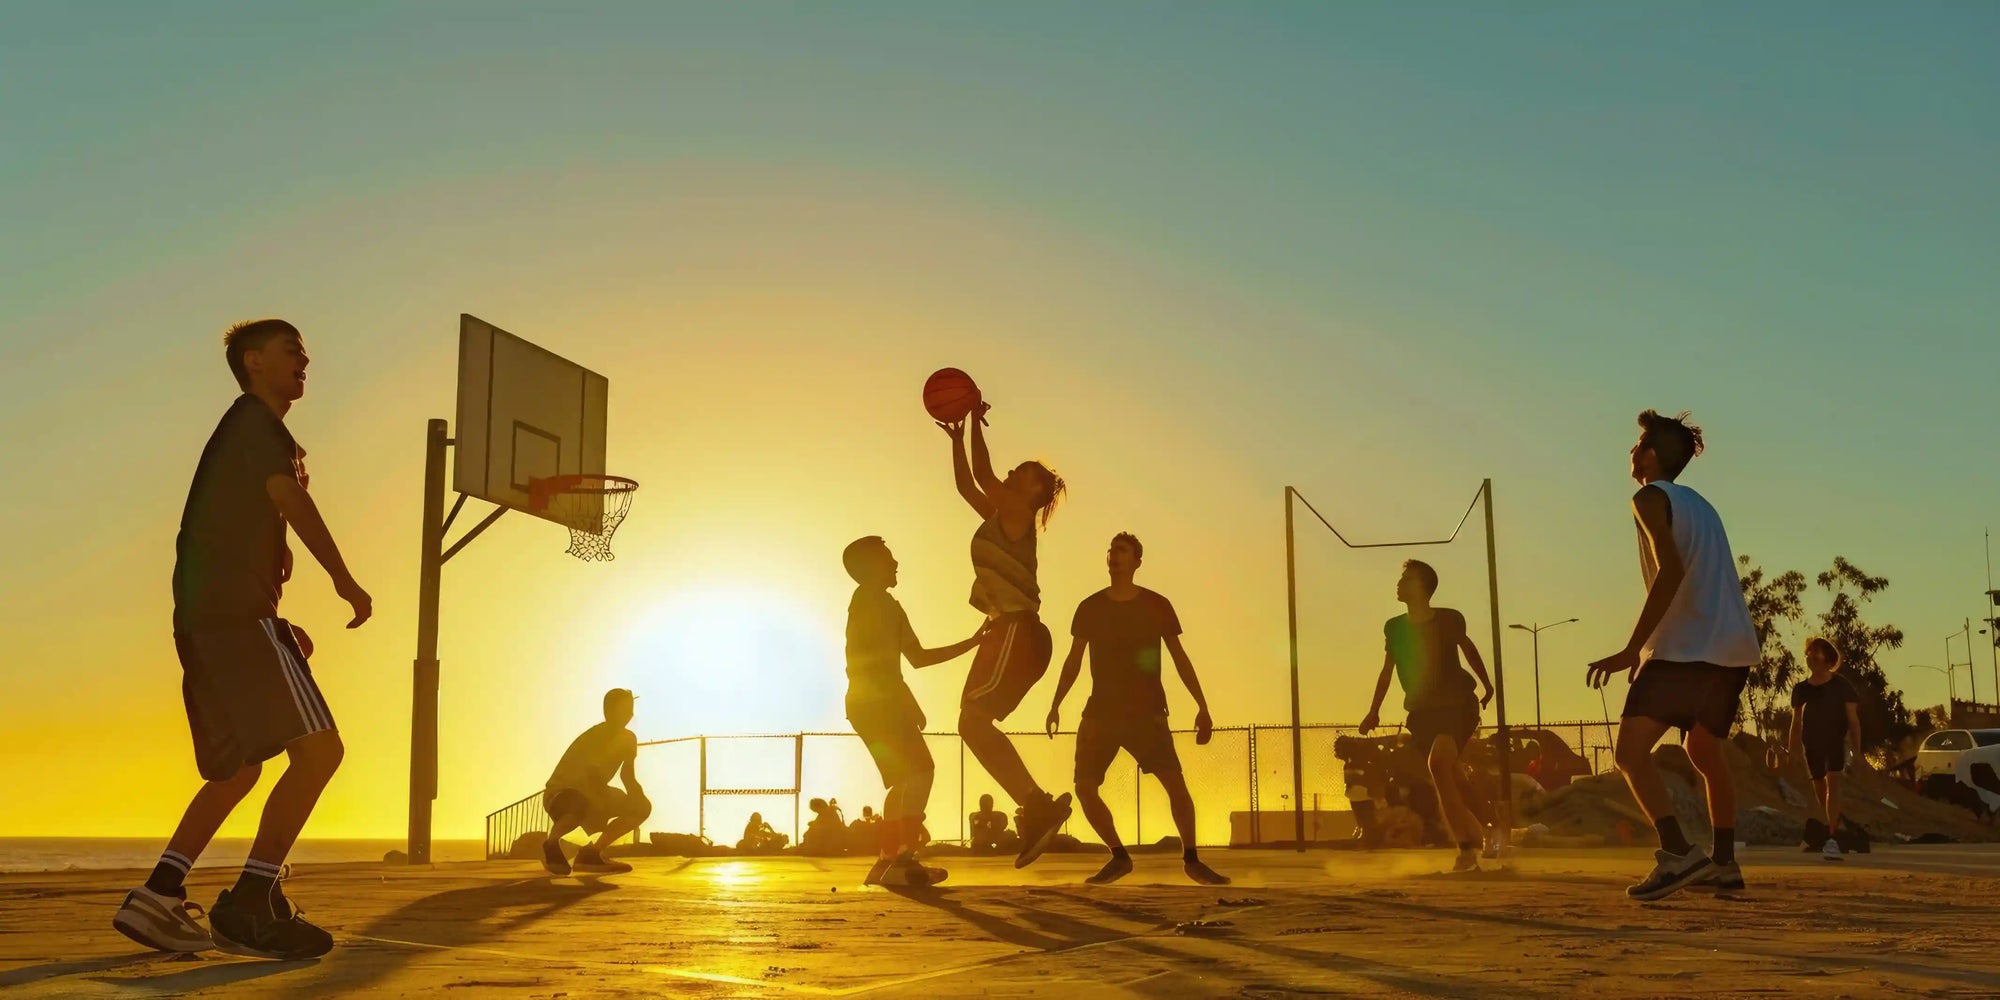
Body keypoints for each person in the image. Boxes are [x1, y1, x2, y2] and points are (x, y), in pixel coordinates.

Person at [112, 320, 371, 961]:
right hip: (231, 621)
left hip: (208, 624)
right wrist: (345, 582)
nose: (305, 359)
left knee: (239, 768)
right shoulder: (257, 424)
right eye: (292, 350)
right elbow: (289, 500)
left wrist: (275, 623)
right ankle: (253, 902)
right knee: (319, 753)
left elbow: (243, 530)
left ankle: (159, 894)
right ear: (254, 362)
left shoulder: (245, 437)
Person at [1586, 410, 1762, 900]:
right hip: (1731, 648)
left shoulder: (1648, 497)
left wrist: (1630, 650)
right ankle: (1724, 864)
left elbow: (1670, 571)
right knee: (1704, 751)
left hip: (1686, 648)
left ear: (1652, 457)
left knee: (1628, 754)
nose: (1632, 451)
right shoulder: (1702, 505)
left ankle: (1679, 853)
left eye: (1638, 444)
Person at [1047, 533, 1229, 885]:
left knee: (1175, 785)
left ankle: (1191, 859)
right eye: (1111, 549)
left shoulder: (1157, 605)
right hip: (1101, 713)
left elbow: (1179, 658)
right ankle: (1118, 856)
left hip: (1147, 712)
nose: (1113, 554)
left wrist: (1202, 706)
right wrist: (1056, 703)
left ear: (1137, 561)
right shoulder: (1090, 607)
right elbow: (1073, 661)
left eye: (1122, 550)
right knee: (1084, 788)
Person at [938, 399, 1075, 867]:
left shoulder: (1018, 508)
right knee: (971, 723)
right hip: (1008, 634)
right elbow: (966, 483)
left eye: (1026, 470)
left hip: (1019, 632)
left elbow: (984, 474)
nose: (1016, 470)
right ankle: (1036, 805)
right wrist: (957, 439)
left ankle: (1036, 806)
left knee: (973, 721)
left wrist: (974, 417)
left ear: (1035, 489)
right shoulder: (1002, 516)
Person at [842, 536, 986, 886]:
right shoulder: (868, 601)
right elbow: (873, 664)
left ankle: (887, 860)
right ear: (871, 567)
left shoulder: (889, 606)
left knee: (905, 780)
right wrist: (903, 700)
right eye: (888, 557)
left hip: (871, 703)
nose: (895, 563)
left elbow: (917, 658)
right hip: (876, 702)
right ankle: (903, 859)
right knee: (920, 771)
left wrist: (973, 641)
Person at [1358, 560, 1496, 872]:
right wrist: (1374, 711)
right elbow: (1387, 671)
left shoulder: (1449, 619)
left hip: (1457, 706)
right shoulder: (1394, 628)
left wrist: (1487, 685)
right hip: (1421, 714)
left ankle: (1465, 849)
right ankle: (1486, 829)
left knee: (1438, 765)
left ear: (1422, 587)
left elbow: (1469, 650)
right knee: (1452, 776)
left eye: (1406, 578)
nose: (1399, 583)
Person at [542, 688, 650, 876]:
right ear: (609, 711)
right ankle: (551, 845)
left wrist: (638, 802)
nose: (630, 715)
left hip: (595, 793)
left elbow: (627, 776)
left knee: (641, 807)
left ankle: (591, 854)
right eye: (625, 710)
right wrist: (600, 801)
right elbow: (589, 774)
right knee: (578, 803)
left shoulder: (628, 738)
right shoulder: (594, 736)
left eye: (631, 710)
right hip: (560, 795)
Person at [1787, 637, 1863, 861]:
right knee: (1820, 786)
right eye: (1809, 652)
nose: (1811, 656)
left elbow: (1854, 721)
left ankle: (1832, 837)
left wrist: (1858, 752)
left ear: (1828, 659)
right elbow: (1796, 722)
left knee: (1834, 782)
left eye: (1816, 652)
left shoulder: (1842, 686)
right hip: (1811, 744)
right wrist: (1792, 750)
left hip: (1835, 742)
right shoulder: (1801, 689)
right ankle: (1835, 824)